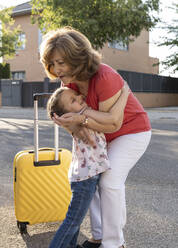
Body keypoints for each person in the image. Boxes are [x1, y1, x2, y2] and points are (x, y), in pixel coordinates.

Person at [40, 27, 152, 248]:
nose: (56, 70)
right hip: (101, 135)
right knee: (89, 176)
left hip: (131, 132)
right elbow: (69, 120)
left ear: (77, 57)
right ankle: (99, 235)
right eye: (52, 64)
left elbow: (113, 123)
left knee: (110, 180)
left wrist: (80, 119)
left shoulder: (105, 77)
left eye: (61, 62)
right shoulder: (68, 83)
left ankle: (114, 243)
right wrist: (75, 126)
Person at [47, 86, 130, 248]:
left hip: (84, 177)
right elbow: (112, 118)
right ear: (68, 115)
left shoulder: (79, 118)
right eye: (73, 100)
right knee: (73, 221)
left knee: (74, 220)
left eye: (77, 95)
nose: (79, 98)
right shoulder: (80, 118)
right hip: (85, 180)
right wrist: (124, 94)